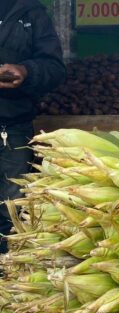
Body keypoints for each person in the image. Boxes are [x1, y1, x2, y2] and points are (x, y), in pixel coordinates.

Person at [0, 0, 66, 253]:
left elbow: (55, 68)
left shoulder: (30, 12)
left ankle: (9, 277)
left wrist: (27, 71)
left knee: (13, 209)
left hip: (13, 128)